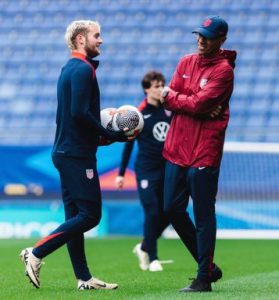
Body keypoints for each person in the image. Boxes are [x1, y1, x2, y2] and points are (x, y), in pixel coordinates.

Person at [20, 20, 128, 291]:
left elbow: (71, 118)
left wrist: (100, 137)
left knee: (76, 218)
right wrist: (112, 135)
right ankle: (35, 253)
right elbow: (79, 113)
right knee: (91, 216)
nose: (100, 40)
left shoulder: (69, 68)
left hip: (68, 151)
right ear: (81, 39)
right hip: (76, 156)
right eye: (96, 35)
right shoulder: (82, 69)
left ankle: (84, 278)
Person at [160, 15, 236, 292]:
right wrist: (187, 103)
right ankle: (209, 267)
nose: (201, 40)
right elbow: (171, 99)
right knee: (171, 209)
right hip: (177, 147)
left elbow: (195, 102)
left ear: (221, 40)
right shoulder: (185, 62)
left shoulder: (224, 71)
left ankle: (203, 278)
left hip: (204, 151)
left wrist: (180, 100)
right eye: (199, 34)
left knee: (204, 214)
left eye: (208, 36)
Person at [115, 71, 173, 272]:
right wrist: (121, 173)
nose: (160, 89)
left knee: (171, 212)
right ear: (147, 89)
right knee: (152, 211)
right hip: (146, 171)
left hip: (167, 169)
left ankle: (144, 246)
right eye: (156, 86)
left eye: (162, 85)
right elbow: (128, 145)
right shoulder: (138, 114)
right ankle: (154, 258)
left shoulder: (169, 110)